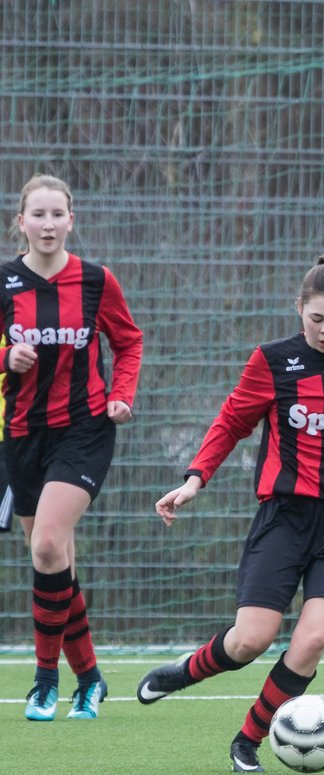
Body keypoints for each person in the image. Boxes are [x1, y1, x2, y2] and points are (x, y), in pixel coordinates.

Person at [137, 254, 324, 772]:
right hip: (285, 517)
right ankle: (181, 673)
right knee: (250, 640)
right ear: (298, 309)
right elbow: (232, 421)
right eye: (316, 319)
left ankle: (248, 741)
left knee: (312, 641)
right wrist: (195, 480)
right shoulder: (274, 361)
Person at [2, 174, 144, 721]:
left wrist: (121, 395)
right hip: (21, 434)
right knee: (54, 558)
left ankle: (44, 681)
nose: (47, 224)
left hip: (84, 430)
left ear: (71, 220)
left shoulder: (94, 281)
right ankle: (90, 678)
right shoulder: (5, 282)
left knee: (45, 546)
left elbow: (127, 340)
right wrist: (6, 359)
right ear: (21, 222)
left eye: (56, 214)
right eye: (37, 214)